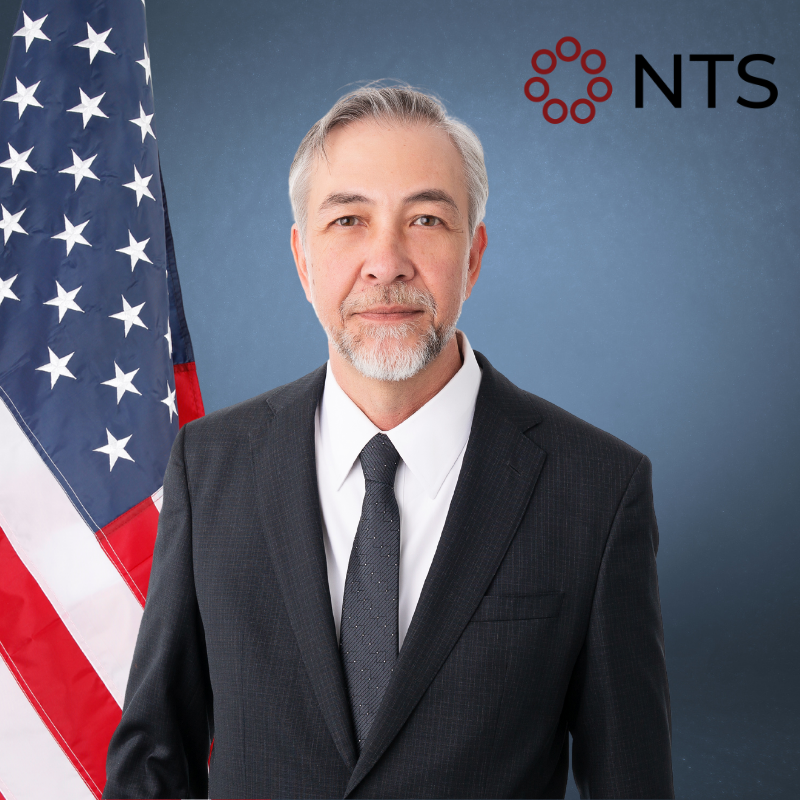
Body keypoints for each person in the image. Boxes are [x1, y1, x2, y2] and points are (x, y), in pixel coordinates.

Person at [103, 85, 673, 799]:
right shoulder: (209, 465)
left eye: (427, 218)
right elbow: (154, 757)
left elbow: (632, 782)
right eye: (347, 219)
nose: (387, 261)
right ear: (303, 259)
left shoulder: (597, 488)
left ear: (473, 256)